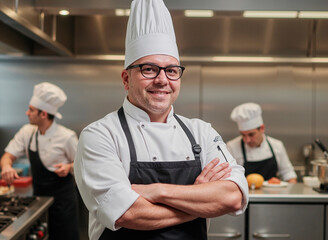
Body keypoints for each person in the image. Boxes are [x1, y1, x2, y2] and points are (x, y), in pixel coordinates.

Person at [74, 0, 249, 239]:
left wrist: (157, 191)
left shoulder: (201, 132)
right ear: (126, 79)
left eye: (172, 70)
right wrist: (197, 197)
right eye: (149, 69)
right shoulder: (100, 135)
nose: (162, 79)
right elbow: (128, 214)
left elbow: (232, 197)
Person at [0, 82, 80, 240]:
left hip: (63, 205)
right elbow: (7, 156)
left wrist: (69, 166)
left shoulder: (66, 136)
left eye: (31, 110)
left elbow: (83, 164)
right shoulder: (27, 132)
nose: (27, 113)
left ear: (43, 114)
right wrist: (6, 167)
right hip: (38, 203)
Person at [227, 103, 297, 183]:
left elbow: (288, 173)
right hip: (244, 194)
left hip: (273, 194)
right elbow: (228, 177)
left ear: (262, 128)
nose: (247, 140)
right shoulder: (232, 147)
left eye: (251, 134)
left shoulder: (277, 146)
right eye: (243, 135)